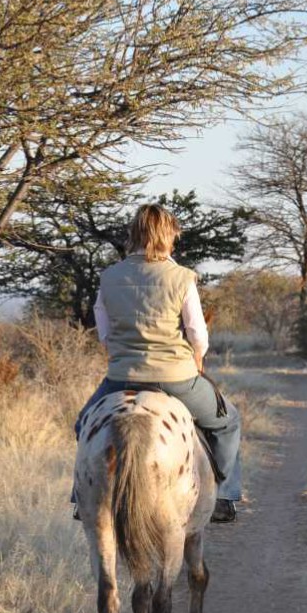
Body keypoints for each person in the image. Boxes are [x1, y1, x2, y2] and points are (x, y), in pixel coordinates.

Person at [75, 203, 243, 522]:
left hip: (122, 376)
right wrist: (198, 360)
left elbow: (104, 328)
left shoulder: (110, 276)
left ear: (133, 234)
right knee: (228, 421)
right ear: (168, 236)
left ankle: (81, 497)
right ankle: (223, 496)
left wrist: (119, 353)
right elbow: (197, 333)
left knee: (84, 423)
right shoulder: (182, 277)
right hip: (176, 377)